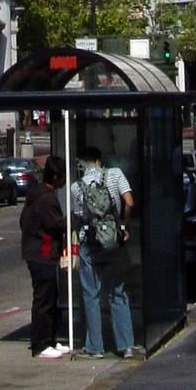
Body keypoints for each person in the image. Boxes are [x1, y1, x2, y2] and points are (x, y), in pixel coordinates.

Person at [71, 145, 135, 358]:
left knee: (91, 295)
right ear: (99, 161)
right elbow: (129, 203)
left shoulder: (76, 187)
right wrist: (123, 227)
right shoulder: (115, 175)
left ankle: (95, 348)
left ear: (84, 164)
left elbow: (79, 217)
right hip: (113, 243)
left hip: (90, 244)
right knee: (117, 292)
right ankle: (126, 346)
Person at [19, 155, 68, 358]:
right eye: (63, 177)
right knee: (44, 300)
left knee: (51, 296)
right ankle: (40, 343)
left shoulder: (37, 195)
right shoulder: (46, 199)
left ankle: (50, 339)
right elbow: (55, 224)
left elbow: (23, 221)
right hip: (42, 254)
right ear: (55, 177)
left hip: (39, 253)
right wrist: (73, 220)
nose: (64, 181)